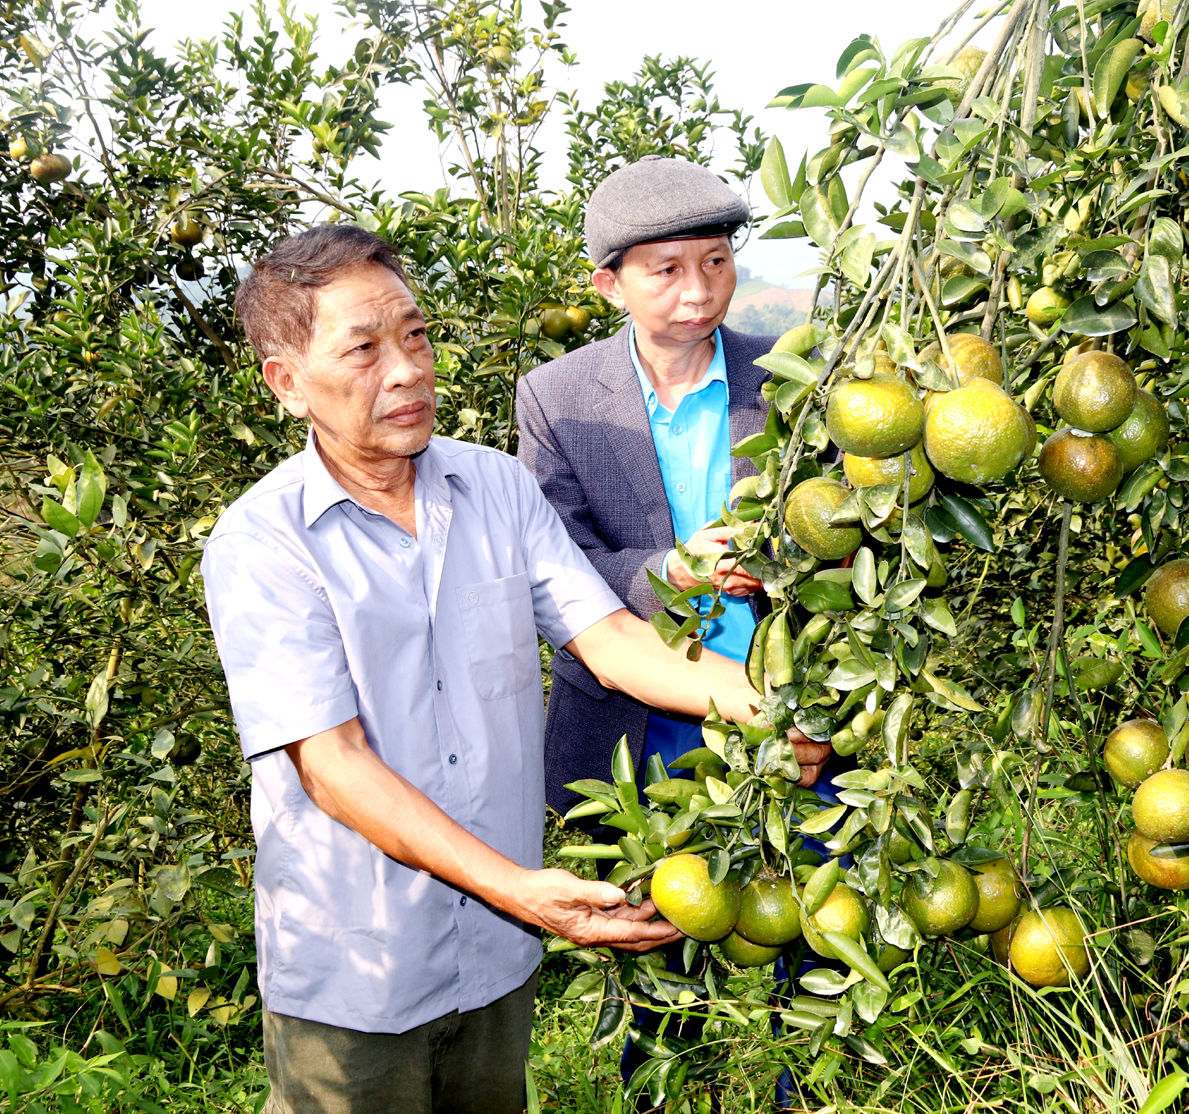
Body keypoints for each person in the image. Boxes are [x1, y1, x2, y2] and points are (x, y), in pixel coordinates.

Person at [202, 224, 804, 1114]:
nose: (405, 370)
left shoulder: (495, 487)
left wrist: (774, 713)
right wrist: (520, 891)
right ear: (287, 384)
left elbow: (615, 641)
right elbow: (331, 765)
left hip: (492, 960)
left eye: (414, 335)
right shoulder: (263, 542)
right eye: (362, 350)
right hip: (359, 965)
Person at [514, 156, 837, 1107]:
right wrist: (670, 575)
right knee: (664, 969)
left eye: (715, 261)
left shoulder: (790, 380)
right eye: (666, 269)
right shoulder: (558, 396)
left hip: (789, 712)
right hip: (643, 724)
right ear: (608, 282)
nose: (697, 291)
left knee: (813, 949)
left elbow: (845, 537)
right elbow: (552, 561)